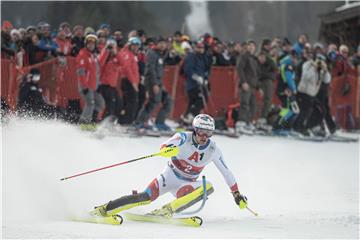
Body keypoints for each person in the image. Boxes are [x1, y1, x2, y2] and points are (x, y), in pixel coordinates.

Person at [91, 114, 248, 218]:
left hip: (187, 185)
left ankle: (168, 210)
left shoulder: (213, 149)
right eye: (201, 132)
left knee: (209, 186)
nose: (204, 137)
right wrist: (167, 150)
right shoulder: (183, 137)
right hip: (168, 177)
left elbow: (226, 173)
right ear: (195, 129)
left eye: (208, 133)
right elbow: (165, 145)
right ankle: (105, 209)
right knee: (145, 197)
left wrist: (236, 194)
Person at [136, 37, 173, 131]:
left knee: (168, 100)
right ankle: (141, 122)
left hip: (159, 82)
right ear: (156, 44)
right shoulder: (152, 53)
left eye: (164, 44)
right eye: (160, 43)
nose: (163, 45)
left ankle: (160, 122)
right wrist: (154, 84)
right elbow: (150, 69)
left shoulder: (161, 54)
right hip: (151, 81)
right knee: (154, 101)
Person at [294, 53, 331, 136]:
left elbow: (327, 80)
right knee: (304, 111)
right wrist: (314, 67)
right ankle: (298, 128)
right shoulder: (307, 65)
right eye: (318, 60)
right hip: (303, 93)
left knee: (322, 110)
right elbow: (307, 77)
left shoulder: (321, 69)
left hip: (312, 94)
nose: (320, 63)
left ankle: (309, 126)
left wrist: (325, 71)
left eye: (322, 61)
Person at [76, 34, 105, 126]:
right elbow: (81, 72)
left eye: (92, 44)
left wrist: (99, 84)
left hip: (94, 86)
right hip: (86, 86)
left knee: (100, 103)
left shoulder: (94, 56)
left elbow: (97, 72)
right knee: (90, 104)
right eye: (89, 43)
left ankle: (92, 122)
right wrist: (84, 86)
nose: (90, 45)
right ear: (86, 44)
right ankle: (83, 123)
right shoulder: (83, 54)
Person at [180, 42, 209, 125]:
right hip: (192, 85)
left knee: (194, 102)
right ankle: (190, 116)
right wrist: (195, 77)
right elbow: (188, 69)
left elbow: (206, 69)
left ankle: (186, 119)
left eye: (202, 48)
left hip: (201, 83)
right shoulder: (191, 56)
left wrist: (205, 78)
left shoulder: (203, 58)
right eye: (198, 48)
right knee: (199, 100)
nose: (200, 49)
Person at [235, 40, 260, 134]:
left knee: (253, 105)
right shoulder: (244, 56)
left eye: (253, 46)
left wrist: (258, 86)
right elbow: (240, 69)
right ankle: (241, 123)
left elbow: (256, 74)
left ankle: (248, 122)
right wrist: (243, 82)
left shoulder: (254, 58)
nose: (251, 48)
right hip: (246, 84)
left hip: (253, 85)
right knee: (244, 104)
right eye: (250, 46)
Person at [117, 37, 141, 125]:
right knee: (131, 103)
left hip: (131, 82)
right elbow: (126, 69)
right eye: (134, 45)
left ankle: (125, 122)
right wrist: (133, 82)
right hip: (128, 82)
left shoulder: (132, 55)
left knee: (130, 103)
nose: (136, 48)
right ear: (130, 45)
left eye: (137, 46)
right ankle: (125, 123)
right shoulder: (127, 54)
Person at [97, 39, 123, 119]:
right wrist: (106, 51)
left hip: (112, 86)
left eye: (113, 47)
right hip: (102, 85)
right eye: (109, 47)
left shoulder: (116, 58)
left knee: (113, 105)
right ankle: (97, 120)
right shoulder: (103, 55)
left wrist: (116, 53)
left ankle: (107, 121)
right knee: (101, 105)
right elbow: (100, 63)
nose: (111, 49)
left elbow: (123, 63)